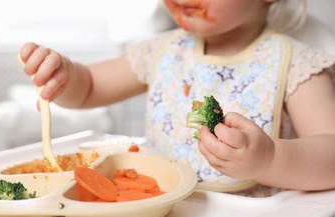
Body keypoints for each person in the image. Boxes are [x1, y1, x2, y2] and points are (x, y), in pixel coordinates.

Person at [19, 0, 335, 194]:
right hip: (160, 213)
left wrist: (269, 160)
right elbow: (88, 88)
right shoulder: (160, 51)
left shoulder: (295, 64)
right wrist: (66, 76)